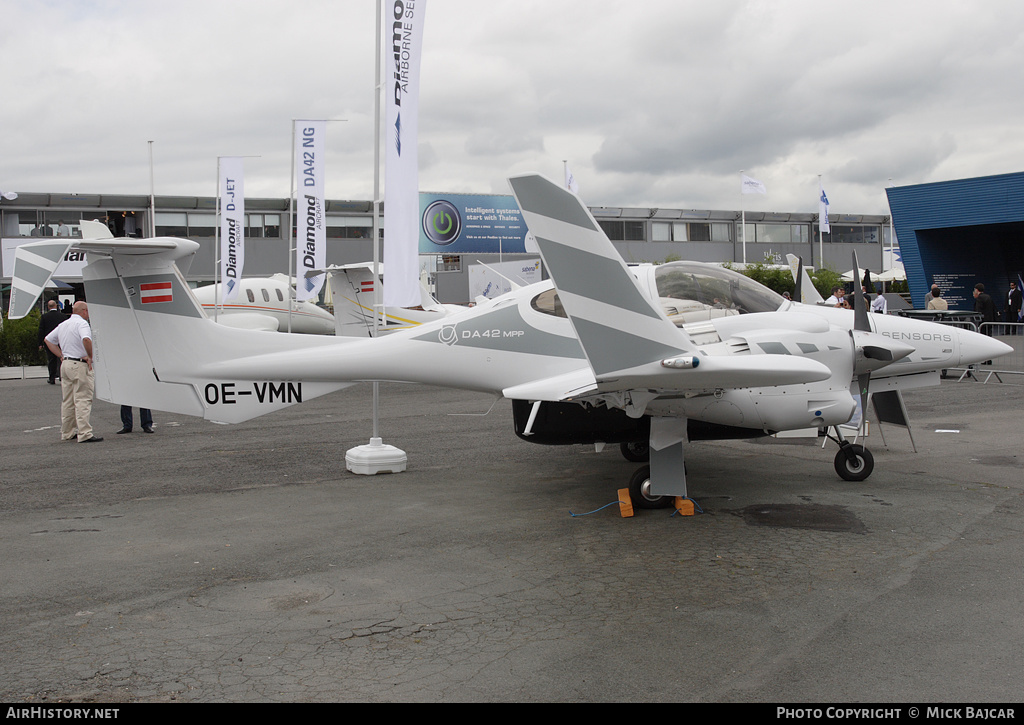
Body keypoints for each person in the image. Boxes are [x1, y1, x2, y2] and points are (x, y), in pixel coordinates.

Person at [43, 301, 103, 443]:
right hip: (79, 364)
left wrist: (61, 355)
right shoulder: (82, 324)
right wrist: (90, 356)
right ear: (84, 311)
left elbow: (48, 340)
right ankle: (85, 433)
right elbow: (86, 339)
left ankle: (67, 431)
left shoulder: (63, 324)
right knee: (83, 399)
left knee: (68, 400)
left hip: (66, 363)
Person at [37, 299, 68, 384]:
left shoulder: (44, 317)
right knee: (62, 358)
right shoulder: (63, 316)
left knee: (51, 359)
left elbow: (41, 330)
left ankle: (52, 378)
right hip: (61, 340)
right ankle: (62, 376)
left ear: (48, 307)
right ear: (56, 306)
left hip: (49, 341)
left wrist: (40, 343)